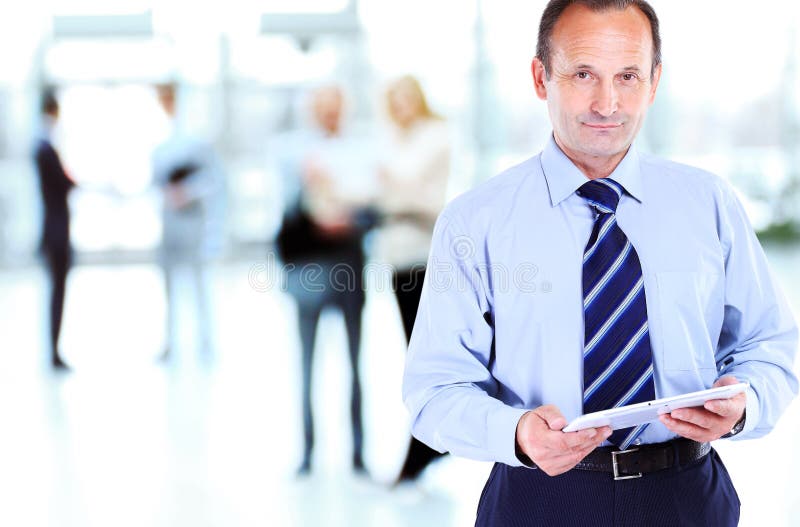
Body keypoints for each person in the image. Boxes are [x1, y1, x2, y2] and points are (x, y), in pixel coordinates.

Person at [402, 1, 799, 525]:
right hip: (539, 497)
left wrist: (744, 402)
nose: (607, 103)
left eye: (628, 76)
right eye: (583, 73)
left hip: (688, 497)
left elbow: (770, 346)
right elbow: (433, 391)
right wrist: (515, 432)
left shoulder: (709, 203)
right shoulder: (475, 223)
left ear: (654, 82)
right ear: (541, 77)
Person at [276, 84, 375, 476]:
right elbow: (284, 218)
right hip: (310, 268)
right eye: (322, 108)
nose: (329, 115)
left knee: (354, 363)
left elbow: (373, 208)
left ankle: (357, 453)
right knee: (307, 363)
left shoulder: (362, 150)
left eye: (335, 108)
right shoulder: (294, 155)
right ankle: (307, 452)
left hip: (349, 263)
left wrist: (352, 217)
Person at [374, 75, 451, 484]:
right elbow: (385, 189)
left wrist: (394, 190)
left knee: (423, 356)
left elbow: (407, 188)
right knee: (412, 353)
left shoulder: (433, 135)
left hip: (422, 257)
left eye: (407, 97)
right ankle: (428, 446)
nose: (401, 106)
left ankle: (423, 449)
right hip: (397, 255)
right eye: (394, 99)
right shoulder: (394, 138)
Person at [152, 83, 224, 361]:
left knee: (197, 283)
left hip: (192, 221)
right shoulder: (161, 144)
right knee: (169, 286)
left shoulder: (196, 141)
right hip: (169, 222)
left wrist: (187, 192)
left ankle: (205, 341)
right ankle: (170, 343)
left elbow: (213, 180)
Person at [34, 88, 76, 371]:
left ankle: (54, 350)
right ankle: (54, 352)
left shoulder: (44, 148)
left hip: (54, 229)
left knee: (57, 291)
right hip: (56, 232)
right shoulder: (45, 149)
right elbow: (63, 184)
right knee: (57, 291)